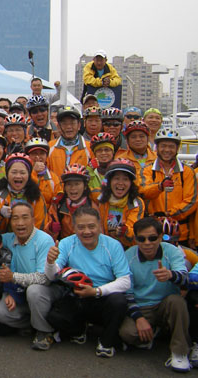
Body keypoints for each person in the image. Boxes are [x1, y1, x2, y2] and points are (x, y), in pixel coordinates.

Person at [45, 207, 131, 358]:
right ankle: (79, 330)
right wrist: (50, 262)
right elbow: (52, 275)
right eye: (81, 227)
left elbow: (125, 281)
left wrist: (97, 291)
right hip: (78, 295)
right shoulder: (66, 243)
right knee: (54, 316)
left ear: (100, 226)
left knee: (119, 301)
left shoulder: (113, 245)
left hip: (103, 296)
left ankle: (106, 342)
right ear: (74, 227)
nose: (86, 232)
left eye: (91, 226)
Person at [120, 217, 191, 373]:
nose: (147, 243)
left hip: (166, 303)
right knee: (127, 334)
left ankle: (180, 352)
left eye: (152, 238)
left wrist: (171, 275)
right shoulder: (128, 256)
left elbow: (186, 280)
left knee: (177, 301)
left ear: (160, 237)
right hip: (143, 305)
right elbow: (127, 292)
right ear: (136, 239)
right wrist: (138, 318)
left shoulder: (171, 252)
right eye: (141, 238)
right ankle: (155, 331)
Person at [0, 202, 63, 351]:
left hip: (47, 291)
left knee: (34, 290)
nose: (20, 223)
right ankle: (36, 323)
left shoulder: (44, 240)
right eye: (15, 218)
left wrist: (13, 277)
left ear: (33, 219)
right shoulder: (8, 239)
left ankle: (45, 331)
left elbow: (44, 279)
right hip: (20, 291)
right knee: (1, 313)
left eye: (25, 217)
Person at [142, 128, 198, 248]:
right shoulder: (147, 170)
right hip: (153, 230)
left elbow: (191, 200)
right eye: (163, 146)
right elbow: (144, 192)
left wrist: (170, 214)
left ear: (177, 148)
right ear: (157, 147)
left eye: (171, 146)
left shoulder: (187, 172)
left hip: (181, 231)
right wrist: (159, 187)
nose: (167, 150)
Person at [0, 153, 47, 232]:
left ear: (29, 175)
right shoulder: (0, 195)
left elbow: (40, 223)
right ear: (7, 174)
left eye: (22, 173)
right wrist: (0, 214)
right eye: (14, 172)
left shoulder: (35, 196)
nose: (18, 176)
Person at [48, 164, 97, 241]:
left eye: (77, 184)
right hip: (65, 247)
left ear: (85, 186)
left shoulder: (92, 205)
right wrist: (51, 229)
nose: (73, 188)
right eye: (69, 184)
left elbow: (99, 234)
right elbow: (49, 237)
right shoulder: (58, 204)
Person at [47, 106, 93, 178]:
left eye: (72, 123)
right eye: (64, 123)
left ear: (79, 126)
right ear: (58, 126)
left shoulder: (90, 147)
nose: (69, 127)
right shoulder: (50, 147)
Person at [116, 120, 156, 186]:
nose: (138, 139)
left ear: (148, 138)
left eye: (141, 136)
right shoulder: (120, 159)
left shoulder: (157, 158)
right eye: (133, 137)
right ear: (127, 140)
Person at [24, 137, 61, 207]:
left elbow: (58, 196)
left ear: (46, 156)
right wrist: (34, 172)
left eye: (42, 153)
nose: (38, 157)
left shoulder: (53, 177)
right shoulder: (22, 175)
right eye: (34, 153)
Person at [87, 132, 117, 201]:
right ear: (95, 154)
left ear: (112, 152)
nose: (103, 153)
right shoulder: (89, 171)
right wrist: (90, 170)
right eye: (99, 150)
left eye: (107, 150)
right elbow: (85, 191)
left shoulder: (119, 170)